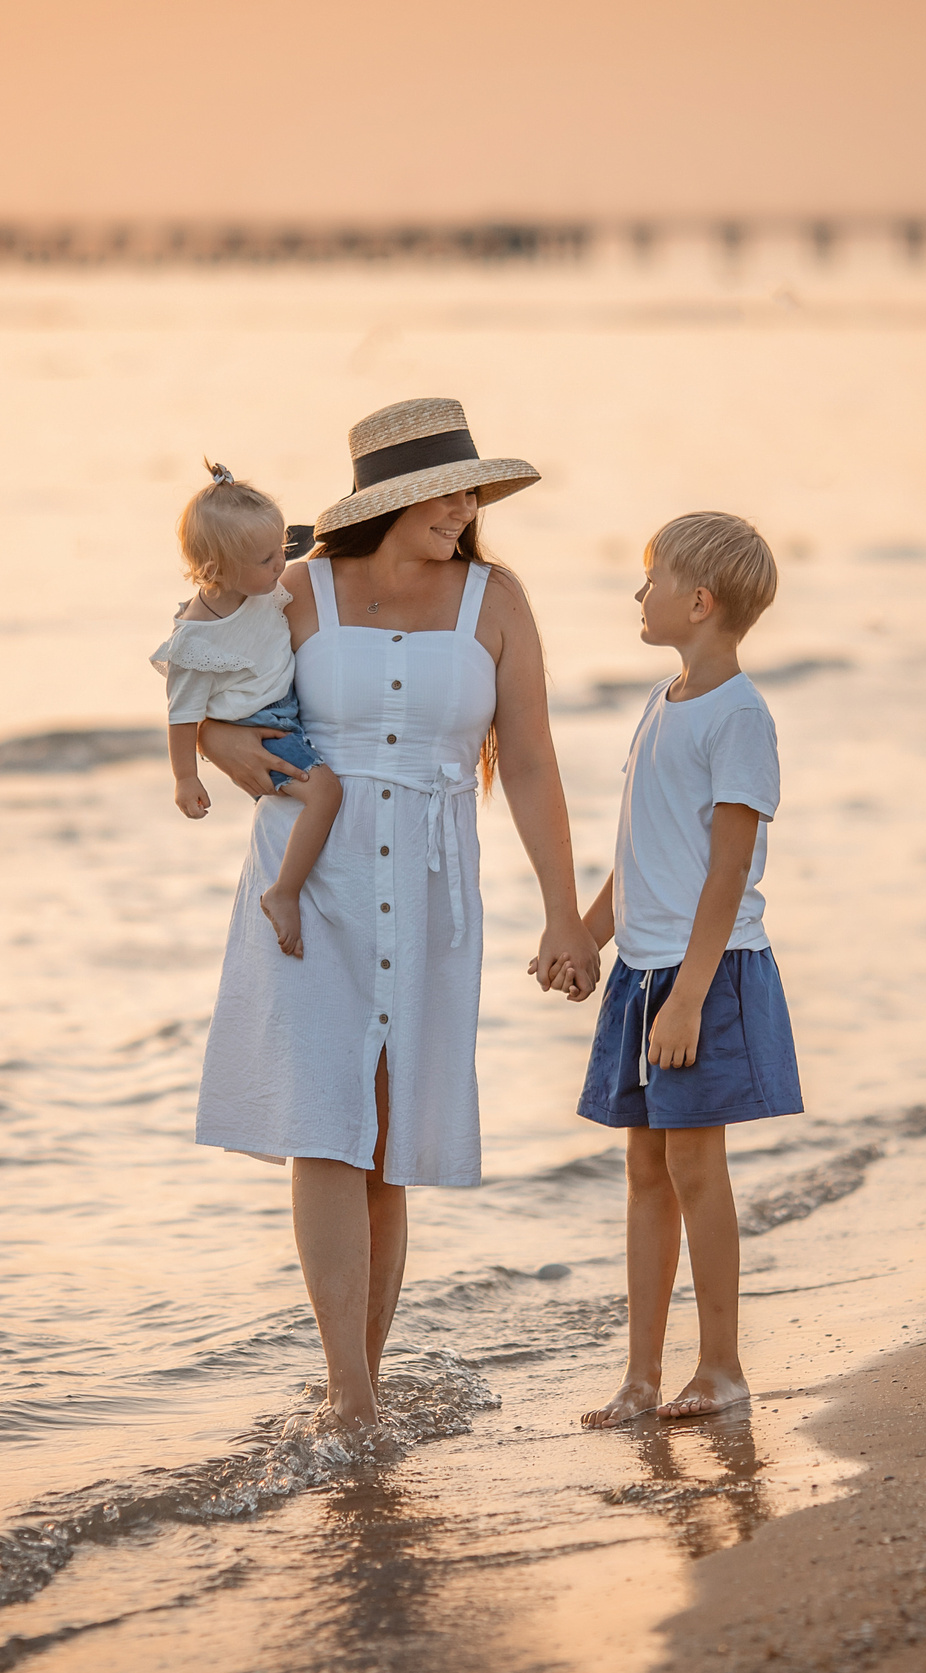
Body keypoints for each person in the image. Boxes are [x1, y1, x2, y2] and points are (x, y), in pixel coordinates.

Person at [191, 399, 600, 1431]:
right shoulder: (295, 589)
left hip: (428, 883)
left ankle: (357, 1384)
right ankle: (351, 1391)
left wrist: (563, 913)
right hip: (307, 878)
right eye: (444, 492)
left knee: (386, 1129)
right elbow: (197, 671)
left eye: (470, 491)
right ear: (389, 500)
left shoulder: (494, 600)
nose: (463, 508)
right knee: (323, 1125)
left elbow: (536, 762)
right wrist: (214, 745)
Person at [557, 512, 805, 1429]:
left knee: (699, 1170)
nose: (639, 591)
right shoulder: (664, 700)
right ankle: (640, 1377)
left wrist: (691, 996)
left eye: (652, 577)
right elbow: (641, 850)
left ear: (699, 602)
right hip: (646, 974)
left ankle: (724, 1367)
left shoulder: (740, 718)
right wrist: (587, 934)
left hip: (705, 975)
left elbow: (728, 867)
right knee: (645, 1174)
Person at [154, 462, 343, 957]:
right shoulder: (198, 639)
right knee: (326, 794)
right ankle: (284, 891)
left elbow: (295, 545)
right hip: (262, 724)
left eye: (280, 551)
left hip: (286, 705)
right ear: (217, 570)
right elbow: (181, 715)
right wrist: (185, 777)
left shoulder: (255, 583)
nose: (281, 566)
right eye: (267, 559)